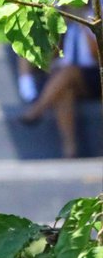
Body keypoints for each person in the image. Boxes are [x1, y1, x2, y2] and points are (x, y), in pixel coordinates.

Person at [19, 23, 102, 158]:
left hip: (95, 73)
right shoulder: (65, 25)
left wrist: (84, 25)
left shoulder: (94, 18)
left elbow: (95, 53)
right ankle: (70, 149)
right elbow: (53, 55)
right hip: (74, 79)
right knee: (64, 92)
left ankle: (38, 108)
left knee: (69, 72)